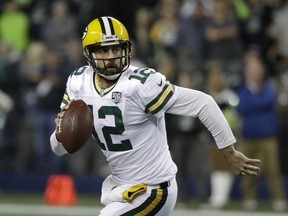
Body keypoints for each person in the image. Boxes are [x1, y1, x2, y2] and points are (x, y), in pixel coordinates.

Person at [50, 16, 261, 215]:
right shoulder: (78, 82)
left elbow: (203, 103)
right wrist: (61, 134)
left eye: (116, 48)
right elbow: (59, 148)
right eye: (103, 51)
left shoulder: (141, 84)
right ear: (89, 54)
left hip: (153, 188)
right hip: (120, 187)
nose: (112, 56)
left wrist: (229, 152)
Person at [235, 50, 287, 212]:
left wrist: (253, 103)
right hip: (249, 135)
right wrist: (256, 103)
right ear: (248, 74)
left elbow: (268, 101)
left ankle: (278, 199)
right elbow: (242, 107)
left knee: (273, 169)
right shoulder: (243, 90)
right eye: (252, 71)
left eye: (257, 71)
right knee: (246, 169)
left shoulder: (269, 88)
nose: (255, 74)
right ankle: (249, 198)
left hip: (267, 135)